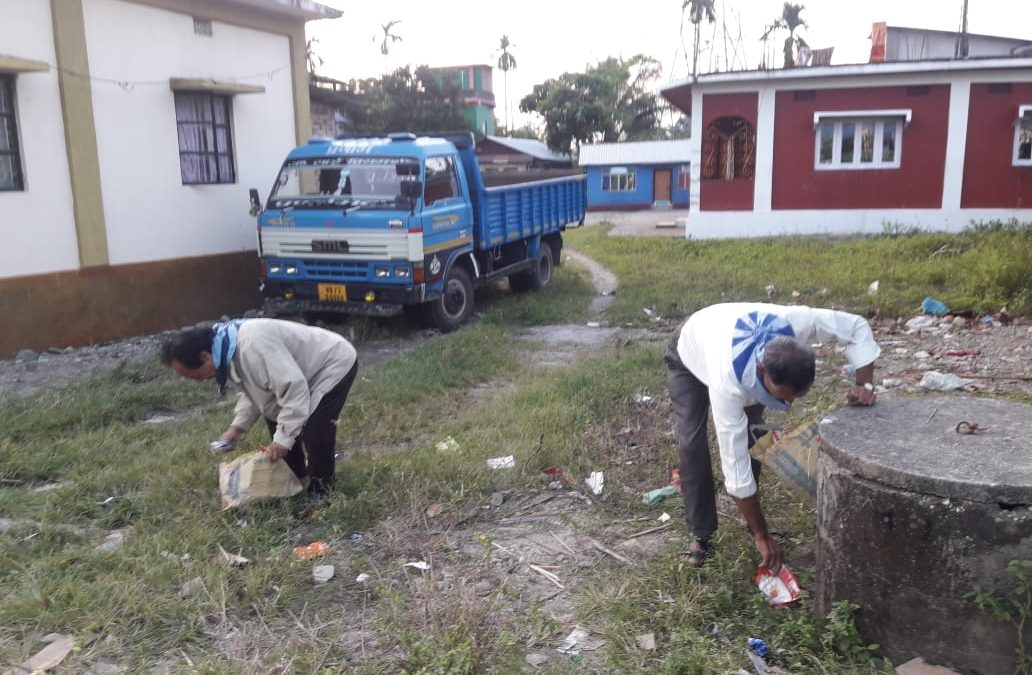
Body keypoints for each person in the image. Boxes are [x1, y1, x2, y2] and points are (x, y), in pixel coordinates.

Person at [664, 302, 880, 573]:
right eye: (783, 397)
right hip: (689, 352)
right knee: (692, 442)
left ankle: (749, 520)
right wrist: (762, 537)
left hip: (725, 336)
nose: (788, 405)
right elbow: (735, 466)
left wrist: (864, 384)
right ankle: (701, 536)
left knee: (753, 432)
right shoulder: (728, 384)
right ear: (760, 371)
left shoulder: (796, 322)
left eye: (795, 397)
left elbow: (856, 326)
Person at [161, 318, 359, 508]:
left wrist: (283, 440)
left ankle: (322, 492)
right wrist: (236, 429)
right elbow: (255, 393)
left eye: (194, 375)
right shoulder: (226, 350)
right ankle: (297, 477)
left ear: (204, 356)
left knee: (316, 430)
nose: (197, 380)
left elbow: (293, 390)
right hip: (298, 373)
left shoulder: (253, 346)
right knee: (273, 412)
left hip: (331, 362)